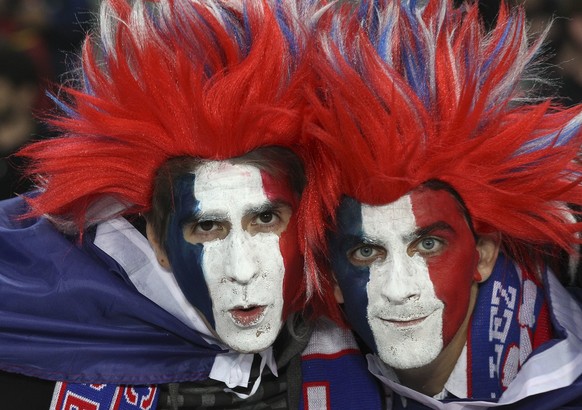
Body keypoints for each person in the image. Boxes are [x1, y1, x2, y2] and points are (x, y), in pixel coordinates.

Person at [0, 0, 382, 409]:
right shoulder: (41, 312)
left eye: (266, 218)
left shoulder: (373, 298)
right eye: (207, 227)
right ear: (158, 243)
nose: (242, 269)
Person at [300, 0, 582, 408]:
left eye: (428, 245)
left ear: (483, 254)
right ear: (331, 279)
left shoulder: (564, 373)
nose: (399, 290)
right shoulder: (289, 371)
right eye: (366, 251)